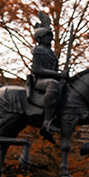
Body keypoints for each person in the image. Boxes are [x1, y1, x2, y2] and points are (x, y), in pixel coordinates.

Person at [30, 12, 68, 144]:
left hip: (50, 80)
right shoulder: (38, 50)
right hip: (39, 82)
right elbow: (37, 69)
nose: (50, 38)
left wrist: (63, 77)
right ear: (40, 38)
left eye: (50, 36)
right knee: (53, 84)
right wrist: (58, 76)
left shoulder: (52, 54)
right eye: (47, 36)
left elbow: (54, 71)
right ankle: (46, 122)